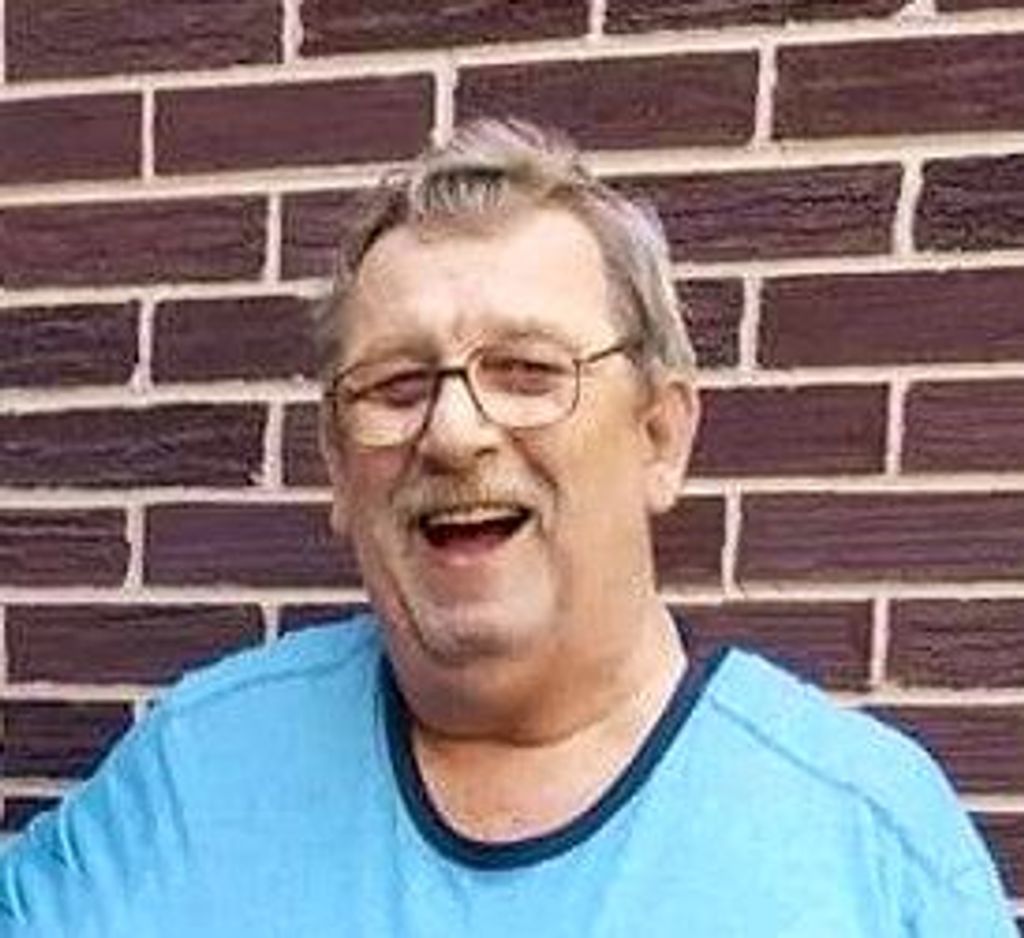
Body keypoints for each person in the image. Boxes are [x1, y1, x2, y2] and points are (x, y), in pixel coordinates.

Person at [0, 119, 1015, 938]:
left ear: (660, 435)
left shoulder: (863, 849)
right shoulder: (199, 773)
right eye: (396, 386)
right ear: (337, 470)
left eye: (527, 371)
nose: (452, 432)